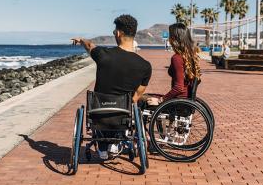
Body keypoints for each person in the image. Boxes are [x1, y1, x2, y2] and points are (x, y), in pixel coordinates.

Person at [72, 14, 152, 159]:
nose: (114, 33)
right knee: (129, 106)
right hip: (122, 115)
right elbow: (137, 96)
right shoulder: (145, 66)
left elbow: (90, 45)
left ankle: (102, 146)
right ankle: (115, 142)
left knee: (104, 110)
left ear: (119, 33)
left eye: (114, 31)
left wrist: (81, 40)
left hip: (98, 113)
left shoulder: (103, 54)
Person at [146, 23, 201, 106]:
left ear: (174, 39)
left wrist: (161, 100)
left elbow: (179, 87)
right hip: (185, 99)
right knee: (147, 96)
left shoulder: (177, 58)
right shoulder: (190, 55)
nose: (169, 38)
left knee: (142, 99)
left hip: (178, 102)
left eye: (170, 35)